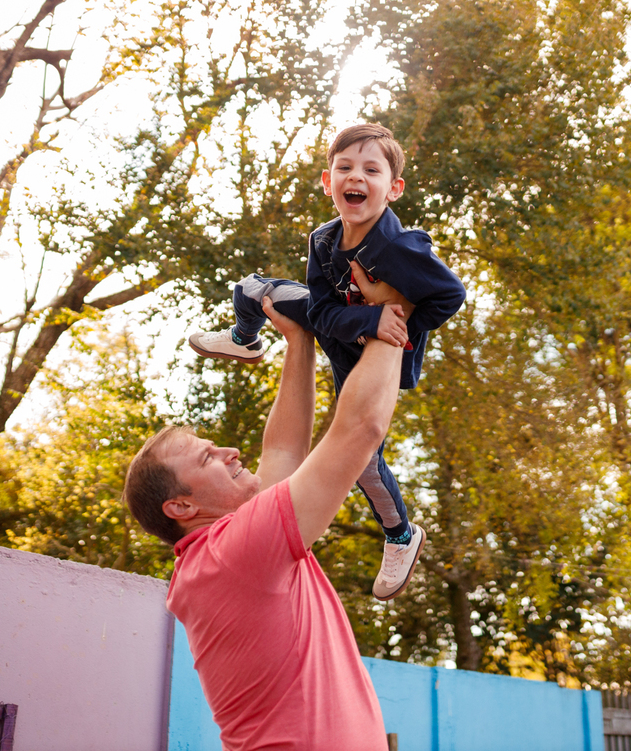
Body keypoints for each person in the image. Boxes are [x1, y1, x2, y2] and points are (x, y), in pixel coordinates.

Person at [187, 123, 465, 600]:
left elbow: (451, 295)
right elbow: (317, 308)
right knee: (255, 290)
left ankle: (400, 535)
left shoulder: (401, 248)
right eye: (345, 167)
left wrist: (396, 325)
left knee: (360, 460)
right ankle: (244, 338)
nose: (356, 176)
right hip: (340, 324)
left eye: (371, 170)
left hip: (364, 355)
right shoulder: (323, 240)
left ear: (392, 188)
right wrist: (363, 316)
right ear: (327, 180)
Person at [124, 297, 407, 750]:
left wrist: (299, 340)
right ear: (180, 507)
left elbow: (281, 454)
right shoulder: (233, 553)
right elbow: (361, 428)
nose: (229, 452)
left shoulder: (220, 557)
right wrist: (393, 309)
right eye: (207, 457)